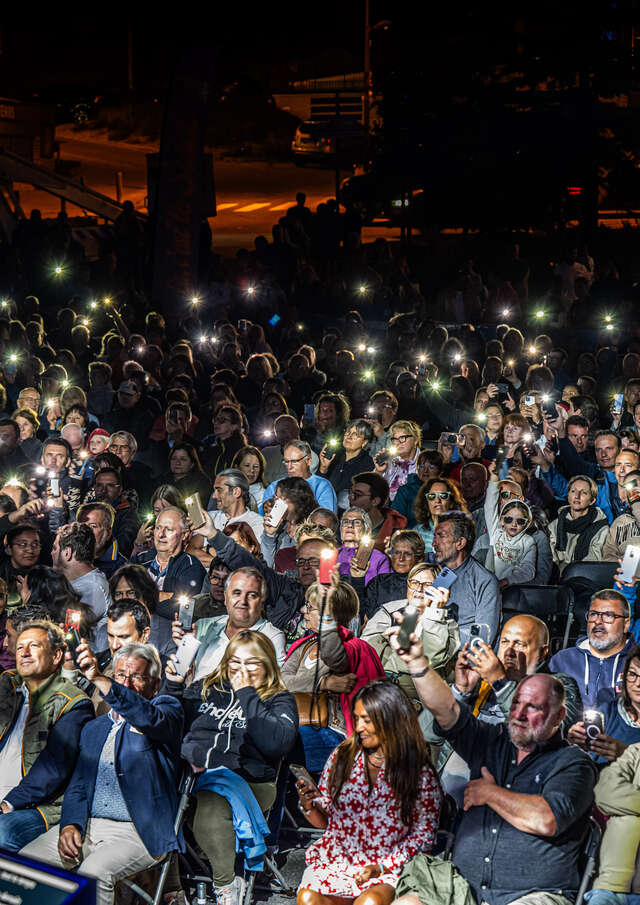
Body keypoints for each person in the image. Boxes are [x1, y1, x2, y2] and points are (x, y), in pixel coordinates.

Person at [389, 618, 598, 905]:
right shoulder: (492, 740)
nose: (520, 714)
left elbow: (546, 819)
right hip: (463, 889)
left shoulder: (571, 759)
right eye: (505, 642)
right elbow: (445, 712)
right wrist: (418, 663)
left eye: (532, 707)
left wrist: (490, 793)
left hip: (533, 895)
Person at [22, 641, 183, 905]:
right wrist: (70, 824)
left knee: (93, 875)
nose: (126, 683)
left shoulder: (166, 713)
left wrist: (97, 678)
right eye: (120, 675)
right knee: (25, 863)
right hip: (90, 827)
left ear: (154, 686)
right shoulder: (94, 728)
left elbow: (148, 718)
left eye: (137, 677)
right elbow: (78, 784)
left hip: (137, 832)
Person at [165, 631, 298, 905]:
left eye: (252, 663)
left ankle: (227, 887)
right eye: (235, 663)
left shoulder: (278, 699)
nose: (241, 670)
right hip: (192, 779)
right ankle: (166, 883)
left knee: (211, 809)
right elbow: (169, 725)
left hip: (250, 783)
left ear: (268, 665)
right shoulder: (204, 689)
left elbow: (276, 744)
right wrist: (174, 686)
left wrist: (247, 694)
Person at [295, 681, 441, 905]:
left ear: (391, 720)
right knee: (307, 898)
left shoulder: (417, 771)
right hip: (338, 860)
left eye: (367, 719)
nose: (359, 727)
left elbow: (424, 837)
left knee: (370, 902)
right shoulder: (343, 755)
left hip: (387, 866)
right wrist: (309, 805)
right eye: (357, 718)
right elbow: (324, 822)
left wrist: (382, 866)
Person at [0, 620, 93, 850]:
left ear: (56, 655)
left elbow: (53, 769)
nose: (25, 653)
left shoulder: (73, 702)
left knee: (2, 833)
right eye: (20, 647)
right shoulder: (7, 684)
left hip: (36, 805)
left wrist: (6, 804)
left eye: (34, 646)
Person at [283, 574, 384, 769]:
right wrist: (323, 684)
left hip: (336, 733)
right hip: (294, 722)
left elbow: (334, 657)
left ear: (331, 615)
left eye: (310, 607)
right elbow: (282, 681)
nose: (304, 611)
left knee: (284, 744)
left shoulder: (355, 648)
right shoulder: (302, 645)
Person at [362, 562, 460, 703]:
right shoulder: (390, 611)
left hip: (421, 699)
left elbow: (430, 660)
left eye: (427, 584)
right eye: (414, 582)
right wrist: (408, 662)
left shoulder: (446, 623)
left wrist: (434, 614)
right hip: (380, 690)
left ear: (439, 588)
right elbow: (368, 650)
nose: (419, 589)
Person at [172, 566, 285, 680]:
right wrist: (184, 648)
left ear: (262, 602)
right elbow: (179, 673)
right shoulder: (202, 626)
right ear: (226, 598)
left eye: (252, 595)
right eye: (237, 593)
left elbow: (274, 686)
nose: (243, 601)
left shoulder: (272, 637)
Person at [550, 588, 635, 709]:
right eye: (593, 614)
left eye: (608, 616)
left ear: (626, 625)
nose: (598, 622)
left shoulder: (636, 662)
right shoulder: (563, 660)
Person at [431, 511, 501, 644]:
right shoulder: (433, 572)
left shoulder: (484, 581)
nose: (434, 543)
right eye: (434, 537)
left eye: (441, 536)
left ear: (460, 543)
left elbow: (482, 637)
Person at [567, 644, 640, 765]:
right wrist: (575, 743)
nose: (638, 683)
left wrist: (627, 755)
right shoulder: (606, 712)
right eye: (633, 674)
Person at [473, 461, 537, 590]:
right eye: (508, 519)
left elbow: (528, 570)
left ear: (527, 521)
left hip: (511, 590)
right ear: (501, 520)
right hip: (485, 586)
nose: (513, 524)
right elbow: (490, 505)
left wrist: (505, 581)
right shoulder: (495, 532)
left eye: (520, 521)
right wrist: (494, 478)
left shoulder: (529, 542)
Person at [130, 506, 206, 601]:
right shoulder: (140, 559)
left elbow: (180, 608)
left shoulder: (191, 567)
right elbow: (119, 592)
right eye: (158, 528)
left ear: (184, 534)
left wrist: (139, 594)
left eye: (169, 529)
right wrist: (165, 596)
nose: (161, 534)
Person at [51, 523, 111, 630]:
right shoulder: (80, 583)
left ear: (67, 553)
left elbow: (68, 630)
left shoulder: (93, 588)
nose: (52, 553)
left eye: (55, 548)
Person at [361, 530, 425, 620]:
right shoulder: (377, 583)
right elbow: (363, 617)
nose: (401, 558)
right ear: (391, 554)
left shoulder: (424, 586)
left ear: (419, 558)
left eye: (407, 553)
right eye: (397, 552)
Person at [549, 475, 609, 572]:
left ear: (592, 500)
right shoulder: (555, 525)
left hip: (582, 576)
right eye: (573, 491)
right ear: (568, 495)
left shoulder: (601, 528)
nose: (577, 496)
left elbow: (592, 562)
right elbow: (550, 558)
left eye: (584, 493)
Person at [261, 440, 337, 514]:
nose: (289, 467)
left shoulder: (322, 486)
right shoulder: (274, 487)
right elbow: (263, 515)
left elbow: (326, 520)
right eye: (286, 462)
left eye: (294, 461)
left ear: (308, 460)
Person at [318, 419, 375, 512]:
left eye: (355, 435)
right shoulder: (334, 455)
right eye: (348, 432)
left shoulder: (368, 464)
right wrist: (323, 468)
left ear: (364, 442)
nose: (349, 437)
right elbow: (318, 487)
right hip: (324, 507)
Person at [349, 473, 407, 551]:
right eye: (351, 493)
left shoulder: (397, 530)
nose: (350, 498)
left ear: (375, 501)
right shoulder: (345, 525)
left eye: (357, 495)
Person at [91, 467, 140, 558]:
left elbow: (123, 548)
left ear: (120, 489)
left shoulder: (128, 515)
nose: (104, 490)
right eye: (99, 485)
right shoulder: (86, 510)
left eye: (110, 485)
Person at [412, 477, 467, 553]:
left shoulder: (463, 531)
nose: (437, 501)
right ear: (426, 502)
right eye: (432, 496)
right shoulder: (417, 532)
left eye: (443, 496)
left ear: (451, 502)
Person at [337, 507, 391, 585]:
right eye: (345, 522)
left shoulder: (379, 559)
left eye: (357, 522)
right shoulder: (332, 555)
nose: (349, 525)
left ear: (367, 531)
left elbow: (384, 588)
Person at [76, 501, 128, 579]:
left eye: (93, 526)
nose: (85, 531)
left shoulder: (121, 569)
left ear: (108, 533)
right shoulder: (67, 559)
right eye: (82, 526)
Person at [373, 420, 421, 501]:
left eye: (402, 438)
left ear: (415, 440)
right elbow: (370, 488)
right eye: (395, 439)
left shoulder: (424, 462)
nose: (397, 443)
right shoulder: (389, 461)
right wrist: (379, 472)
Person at [209, 468, 264, 537]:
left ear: (236, 492)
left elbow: (240, 548)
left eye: (219, 490)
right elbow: (193, 546)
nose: (214, 496)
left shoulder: (256, 523)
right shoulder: (210, 517)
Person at [232, 445, 267, 509]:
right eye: (247, 465)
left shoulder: (265, 496)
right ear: (237, 467)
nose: (252, 470)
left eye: (256, 466)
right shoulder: (223, 490)